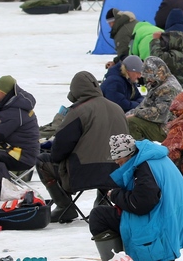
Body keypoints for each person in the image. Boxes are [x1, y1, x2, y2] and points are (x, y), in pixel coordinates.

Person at [87, 134, 183, 261]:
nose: (117, 164)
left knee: (99, 216)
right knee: (108, 214)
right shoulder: (154, 158)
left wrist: (115, 195)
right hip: (170, 216)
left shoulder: (143, 166)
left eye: (119, 160)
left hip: (159, 221)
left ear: (127, 156)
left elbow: (142, 204)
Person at [36, 71, 128, 224]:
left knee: (42, 161)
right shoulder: (118, 109)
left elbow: (58, 151)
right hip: (117, 175)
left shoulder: (78, 111)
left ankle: (64, 206)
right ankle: (103, 201)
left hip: (81, 176)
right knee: (105, 156)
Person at [126, 56, 182, 142]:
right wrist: (124, 116)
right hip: (161, 125)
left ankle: (139, 152)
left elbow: (160, 114)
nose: (148, 79)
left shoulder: (168, 88)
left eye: (150, 76)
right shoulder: (159, 83)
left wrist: (136, 114)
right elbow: (144, 106)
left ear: (158, 73)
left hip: (169, 129)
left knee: (132, 123)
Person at [149, 27, 183, 94]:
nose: (161, 43)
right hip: (181, 93)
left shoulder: (177, 55)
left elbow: (157, 59)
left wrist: (155, 40)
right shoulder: (180, 53)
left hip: (181, 96)